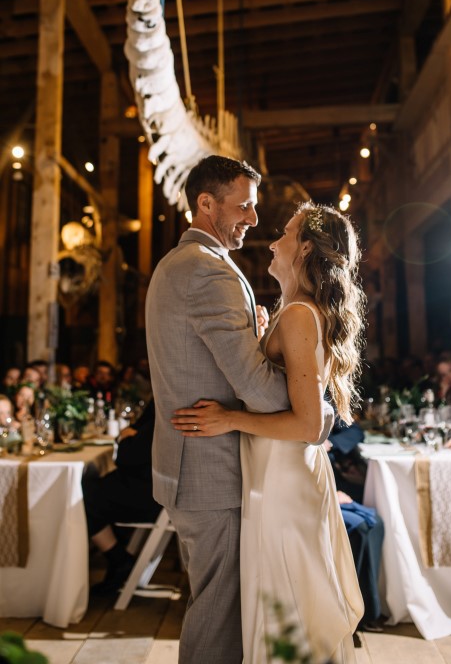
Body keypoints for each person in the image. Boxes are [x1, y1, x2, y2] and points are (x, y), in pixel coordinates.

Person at [146, 156, 333, 664]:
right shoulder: (209, 273)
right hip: (212, 468)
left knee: (216, 605)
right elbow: (259, 388)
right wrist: (317, 409)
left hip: (191, 463)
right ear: (206, 204)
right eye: (244, 205)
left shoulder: (181, 265)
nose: (254, 218)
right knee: (218, 613)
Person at [172, 202, 365, 663]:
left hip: (284, 479)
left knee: (288, 604)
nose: (273, 241)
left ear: (303, 250)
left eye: (285, 233)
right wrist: (261, 340)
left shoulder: (299, 315)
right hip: (276, 471)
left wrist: (230, 418)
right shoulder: (293, 311)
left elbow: (308, 423)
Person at [83, 399, 160, 595]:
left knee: (82, 495)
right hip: (151, 486)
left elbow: (127, 457)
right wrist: (129, 436)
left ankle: (119, 559)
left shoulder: (166, 402)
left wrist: (125, 439)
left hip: (152, 494)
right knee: (92, 486)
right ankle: (118, 559)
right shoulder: (165, 398)